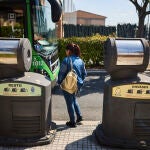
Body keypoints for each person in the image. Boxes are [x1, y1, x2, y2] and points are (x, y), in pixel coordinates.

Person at [57, 43, 87, 128]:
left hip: (69, 85)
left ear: (69, 51)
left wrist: (59, 82)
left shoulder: (66, 60)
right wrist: (79, 82)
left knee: (69, 103)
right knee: (73, 99)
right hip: (77, 85)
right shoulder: (80, 60)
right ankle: (79, 116)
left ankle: (72, 122)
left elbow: (61, 73)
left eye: (66, 50)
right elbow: (84, 74)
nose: (66, 52)